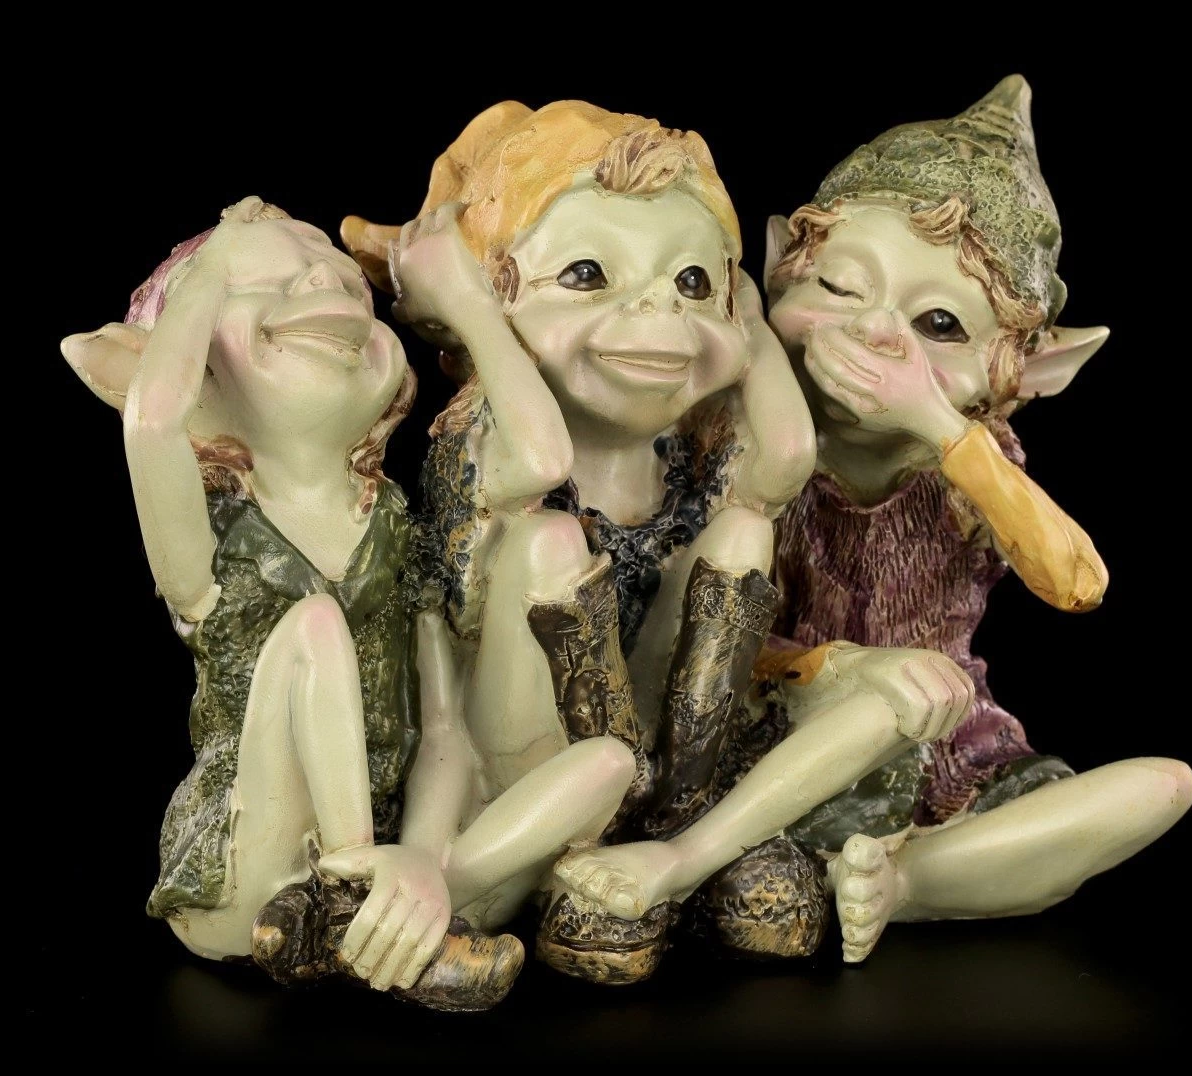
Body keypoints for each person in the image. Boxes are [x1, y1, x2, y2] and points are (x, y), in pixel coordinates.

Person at [345, 101, 975, 980]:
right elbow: (544, 456)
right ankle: (569, 862)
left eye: (690, 283)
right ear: (495, 294)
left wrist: (743, 308)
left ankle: (674, 830)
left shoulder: (684, 455)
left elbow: (786, 459)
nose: (658, 313)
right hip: (530, 770)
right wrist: (466, 307)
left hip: (650, 751)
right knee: (548, 547)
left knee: (745, 533)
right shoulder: (490, 443)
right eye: (587, 273)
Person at [762, 76, 1192, 962]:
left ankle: (909, 883)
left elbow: (1078, 583)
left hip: (955, 744)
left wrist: (937, 422)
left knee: (1160, 787)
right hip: (795, 733)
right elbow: (704, 636)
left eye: (940, 324)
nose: (878, 335)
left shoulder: (970, 460)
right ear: (778, 267)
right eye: (841, 286)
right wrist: (849, 669)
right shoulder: (752, 441)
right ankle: (912, 874)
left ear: (1031, 374)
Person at [61, 197, 521, 1010]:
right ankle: (352, 895)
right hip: (255, 852)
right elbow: (154, 421)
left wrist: (420, 847)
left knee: (598, 766)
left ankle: (388, 903)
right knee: (314, 625)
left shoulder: (391, 519)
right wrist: (213, 265)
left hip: (395, 831)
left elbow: (442, 716)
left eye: (348, 284)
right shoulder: (212, 533)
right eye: (262, 285)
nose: (322, 285)